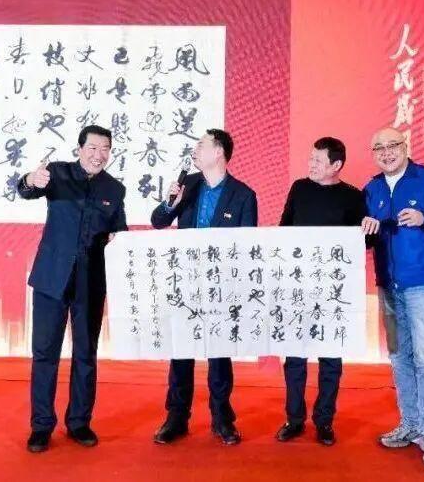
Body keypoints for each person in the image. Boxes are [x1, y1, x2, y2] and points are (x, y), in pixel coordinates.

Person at [18, 125, 127, 453]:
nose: (99, 155)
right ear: (79, 149)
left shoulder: (115, 189)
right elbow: (27, 190)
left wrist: (118, 238)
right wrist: (30, 180)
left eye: (105, 149)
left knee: (85, 354)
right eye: (92, 148)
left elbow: (119, 231)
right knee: (45, 354)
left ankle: (79, 422)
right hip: (52, 278)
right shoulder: (56, 174)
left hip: (90, 283)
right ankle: (41, 426)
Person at [361, 127, 424, 468]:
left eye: (392, 145)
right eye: (379, 148)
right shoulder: (372, 188)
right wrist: (364, 229)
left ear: (406, 146)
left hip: (423, 282)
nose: (386, 152)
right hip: (388, 283)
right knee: (399, 357)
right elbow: (367, 237)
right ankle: (411, 423)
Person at [149, 128, 258, 446]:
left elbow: (247, 246)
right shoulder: (189, 185)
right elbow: (158, 221)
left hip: (221, 285)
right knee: (181, 352)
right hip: (185, 281)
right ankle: (176, 418)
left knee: (219, 354)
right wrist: (170, 202)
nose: (195, 150)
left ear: (219, 152)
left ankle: (222, 419)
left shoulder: (243, 194)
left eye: (201, 145)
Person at [275, 137, 367, 446]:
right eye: (311, 158)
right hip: (297, 285)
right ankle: (294, 419)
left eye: (318, 160)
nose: (311, 164)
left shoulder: (353, 197)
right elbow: (284, 229)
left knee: (331, 359)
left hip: (333, 291)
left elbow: (362, 243)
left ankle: (324, 420)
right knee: (294, 357)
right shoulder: (300, 189)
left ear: (336, 165)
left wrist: (370, 229)